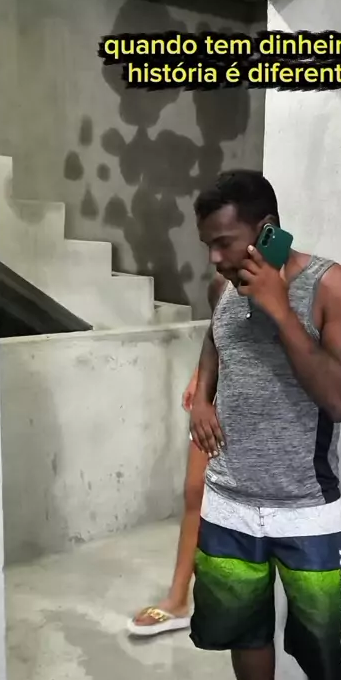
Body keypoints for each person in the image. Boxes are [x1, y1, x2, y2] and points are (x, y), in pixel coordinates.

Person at [189, 169, 341, 680]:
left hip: (306, 511)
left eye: (224, 242)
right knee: (246, 634)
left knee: (325, 662)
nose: (215, 259)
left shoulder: (336, 286)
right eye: (208, 245)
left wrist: (278, 309)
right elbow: (215, 343)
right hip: (228, 505)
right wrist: (201, 396)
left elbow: (340, 399)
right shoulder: (223, 286)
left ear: (265, 230)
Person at [127, 273, 226, 637]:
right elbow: (220, 327)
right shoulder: (224, 276)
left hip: (261, 404)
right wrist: (201, 377)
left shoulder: (280, 270)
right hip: (216, 393)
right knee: (195, 492)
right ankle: (178, 599)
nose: (217, 255)